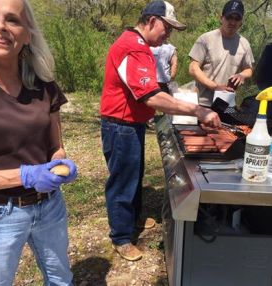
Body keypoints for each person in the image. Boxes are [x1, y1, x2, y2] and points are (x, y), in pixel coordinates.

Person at [100, 0, 221, 261]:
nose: (168, 35)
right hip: (120, 125)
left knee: (133, 175)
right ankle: (121, 237)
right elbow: (150, 97)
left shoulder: (140, 45)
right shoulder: (133, 46)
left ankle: (131, 222)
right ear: (152, 21)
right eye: (167, 28)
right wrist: (198, 111)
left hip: (130, 124)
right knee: (122, 180)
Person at [0, 0, 77, 285]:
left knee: (61, 279)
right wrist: (26, 175)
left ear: (27, 33)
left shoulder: (44, 84)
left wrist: (60, 162)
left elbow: (55, 145)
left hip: (49, 206)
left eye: (12, 20)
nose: (1, 26)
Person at [189, 0, 255, 107]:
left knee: (229, 124)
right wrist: (214, 87)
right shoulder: (206, 39)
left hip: (227, 103)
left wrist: (242, 75)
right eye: (229, 17)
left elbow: (249, 69)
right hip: (202, 103)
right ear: (221, 18)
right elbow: (193, 68)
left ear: (241, 22)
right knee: (200, 124)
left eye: (237, 18)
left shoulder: (244, 44)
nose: (232, 22)